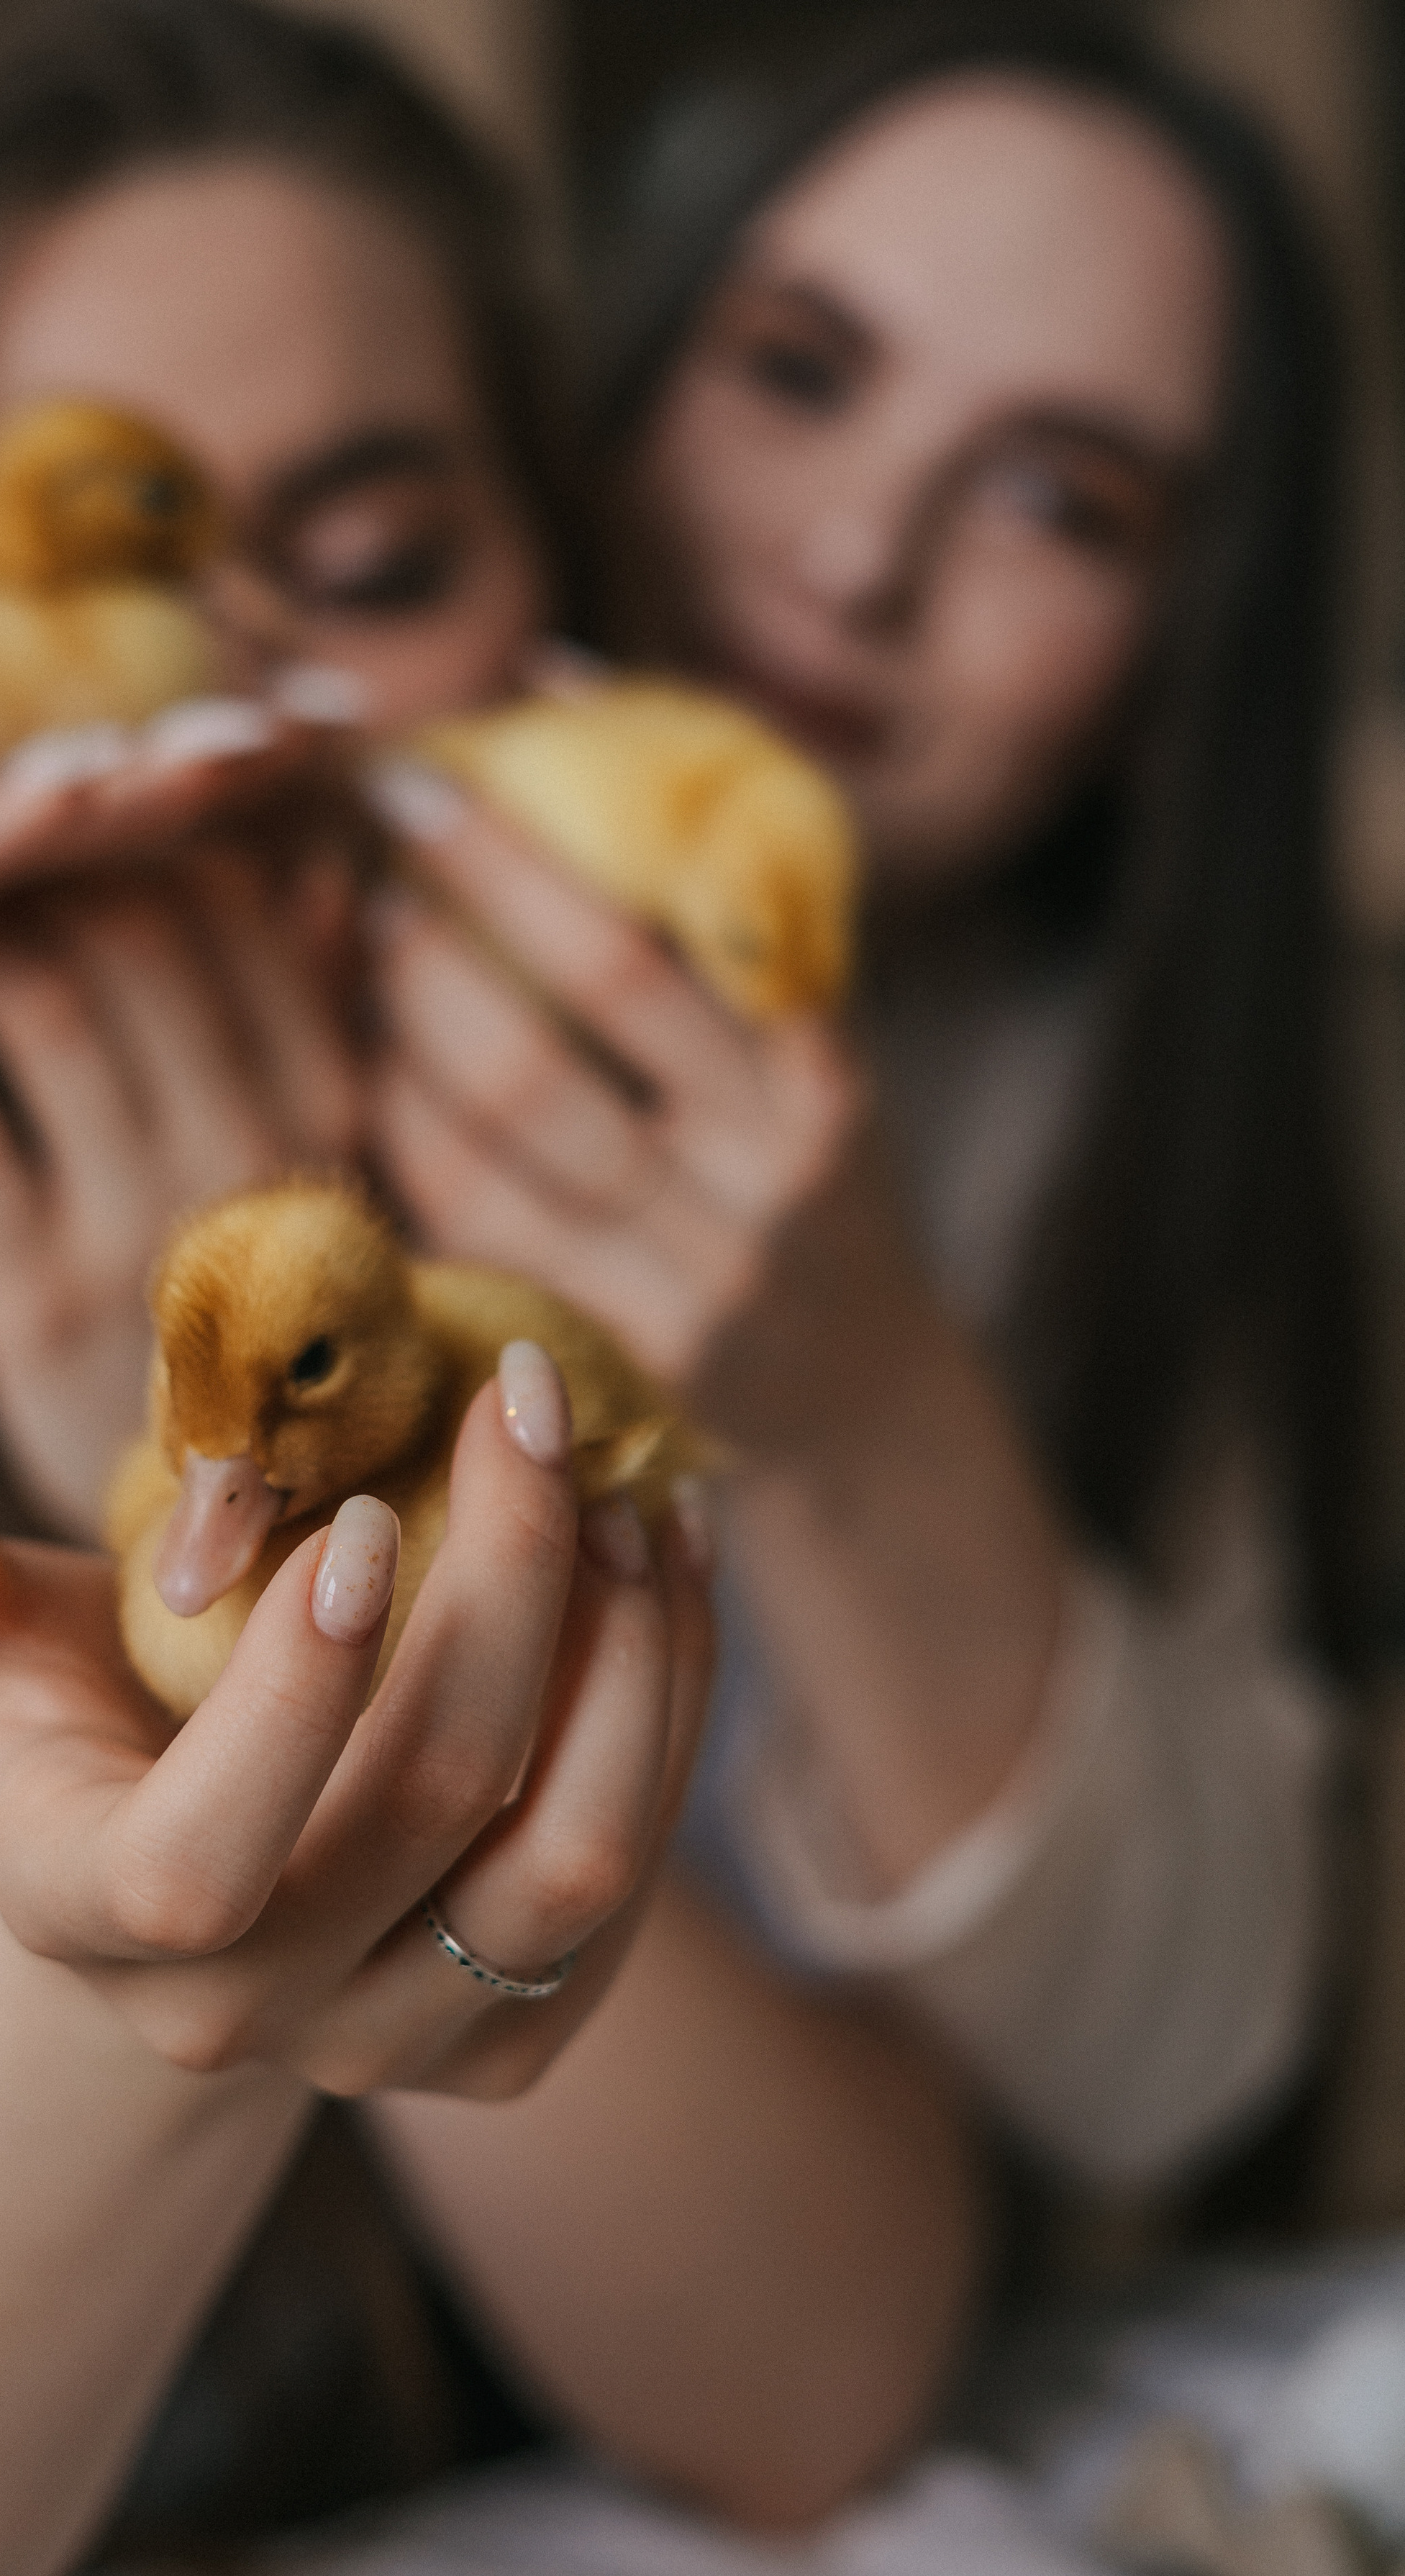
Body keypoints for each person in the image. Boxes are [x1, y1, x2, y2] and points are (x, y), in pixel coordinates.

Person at [0, 7, 978, 2576]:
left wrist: (337, 1530)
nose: (209, 712)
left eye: (365, 560)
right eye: (67, 593)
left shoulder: (630, 1198)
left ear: (549, 618)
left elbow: (817, 2387)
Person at [361, 4, 1368, 2200]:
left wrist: (862, 1400)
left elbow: (1192, 2053)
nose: (853, 559)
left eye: (1056, 499)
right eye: (798, 371)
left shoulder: (1095, 1114)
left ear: (1174, 661)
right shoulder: (286, 869)